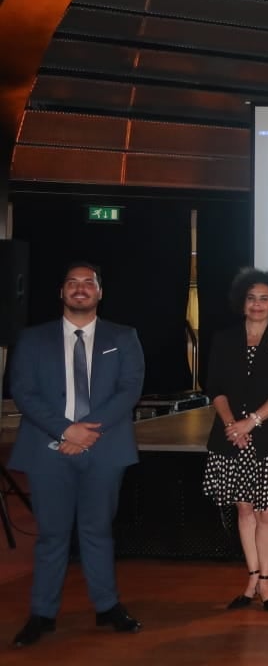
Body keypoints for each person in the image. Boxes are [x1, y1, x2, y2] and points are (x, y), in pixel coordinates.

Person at [9, 262, 145, 647]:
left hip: (104, 450)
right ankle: (42, 613)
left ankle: (107, 606)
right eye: (72, 282)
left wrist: (85, 432)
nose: (80, 288)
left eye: (88, 283)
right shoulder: (33, 339)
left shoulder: (124, 336)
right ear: (62, 292)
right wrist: (66, 430)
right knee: (51, 535)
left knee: (97, 531)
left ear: (100, 292)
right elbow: (23, 391)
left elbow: (129, 389)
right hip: (48, 450)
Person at [203, 268, 268, 614]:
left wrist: (252, 422)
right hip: (232, 438)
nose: (257, 305)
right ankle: (252, 579)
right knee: (244, 509)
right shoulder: (224, 338)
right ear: (241, 302)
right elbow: (214, 387)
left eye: (264, 299)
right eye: (251, 298)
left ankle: (267, 582)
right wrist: (233, 425)